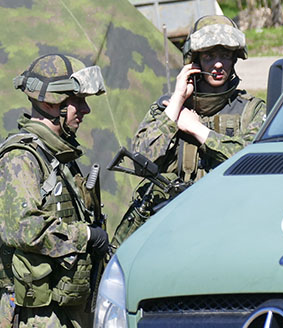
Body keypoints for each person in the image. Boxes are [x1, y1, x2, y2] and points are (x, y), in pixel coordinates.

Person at [111, 15, 267, 248]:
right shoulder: (168, 108)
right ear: (194, 61)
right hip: (170, 227)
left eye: (225, 55)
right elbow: (140, 158)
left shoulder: (251, 109)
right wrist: (176, 103)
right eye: (209, 56)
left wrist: (197, 129)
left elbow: (254, 162)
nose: (217, 64)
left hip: (230, 224)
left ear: (235, 58)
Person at [0, 54, 109, 328]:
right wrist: (86, 236)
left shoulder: (57, 155)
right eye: (77, 101)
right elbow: (24, 227)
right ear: (49, 104)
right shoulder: (19, 158)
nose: (85, 110)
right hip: (36, 314)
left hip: (64, 305)